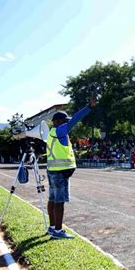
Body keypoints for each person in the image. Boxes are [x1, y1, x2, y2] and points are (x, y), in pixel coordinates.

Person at [46, 96, 96, 239]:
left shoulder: (51, 134)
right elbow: (74, 120)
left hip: (52, 171)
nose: (65, 125)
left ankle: (51, 227)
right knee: (59, 202)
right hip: (60, 172)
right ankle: (58, 231)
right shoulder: (59, 131)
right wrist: (88, 107)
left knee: (52, 199)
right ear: (57, 122)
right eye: (63, 122)